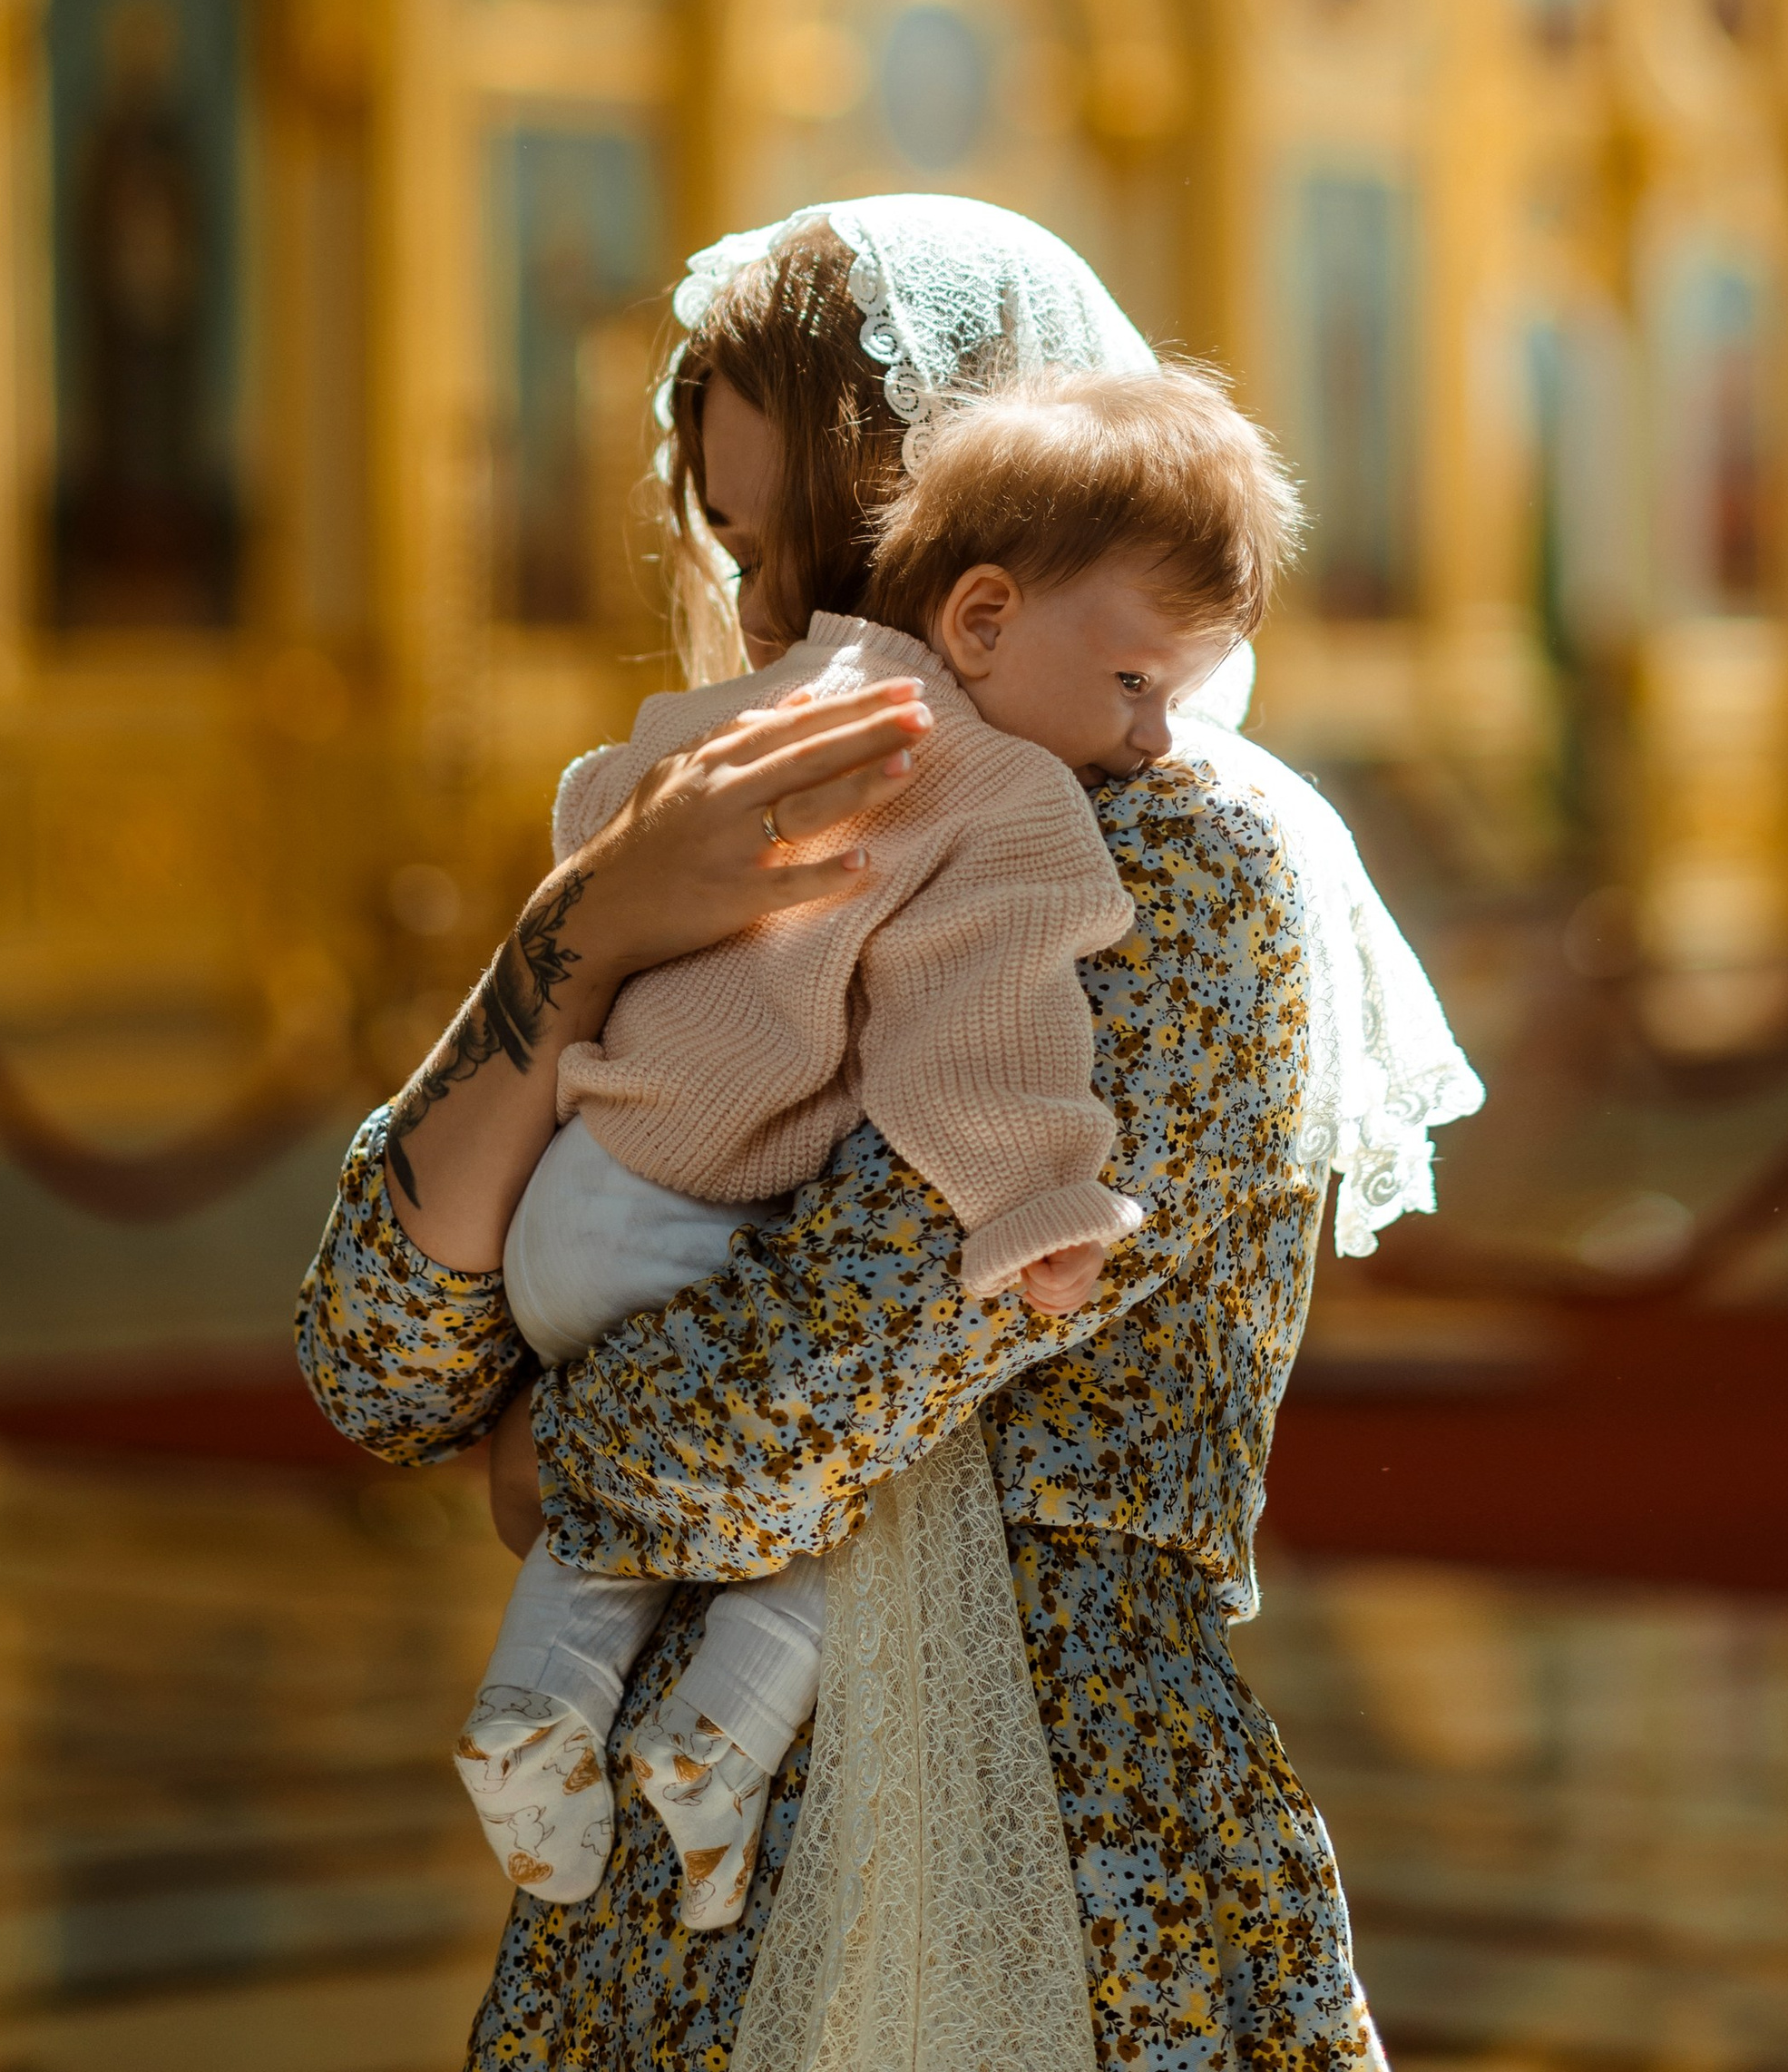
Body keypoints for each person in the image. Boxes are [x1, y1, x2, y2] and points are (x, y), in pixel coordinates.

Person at [297, 195, 1480, 2070]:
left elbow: (783, 1404)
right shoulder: (710, 849)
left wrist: (543, 1448)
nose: (771, 617)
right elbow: (371, 1351)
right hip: (674, 1908)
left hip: (1070, 1850)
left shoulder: (1183, 862)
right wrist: (580, 930)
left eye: (830, 547)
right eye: (740, 549)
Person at [455, 363, 1297, 1929]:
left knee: (704, 1489)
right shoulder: (1022, 805)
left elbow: (597, 804)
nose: (1156, 739)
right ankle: (717, 1737)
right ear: (980, 619)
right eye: (1136, 687)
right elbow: (970, 1052)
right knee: (887, 1483)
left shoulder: (805, 702)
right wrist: (1040, 1202)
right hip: (693, 1220)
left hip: (572, 1206)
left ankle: (535, 1708)